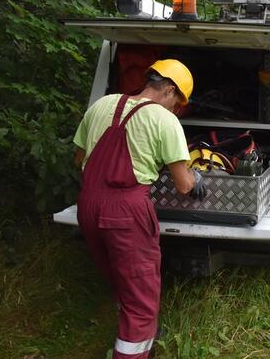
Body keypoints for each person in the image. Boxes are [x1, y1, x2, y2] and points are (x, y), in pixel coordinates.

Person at [73, 59, 206, 359]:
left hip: (89, 206)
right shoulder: (164, 120)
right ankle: (134, 344)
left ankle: (130, 322)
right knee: (142, 302)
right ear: (169, 90)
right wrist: (195, 176)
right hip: (126, 212)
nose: (176, 111)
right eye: (179, 104)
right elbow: (184, 185)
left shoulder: (101, 105)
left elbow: (78, 158)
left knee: (119, 278)